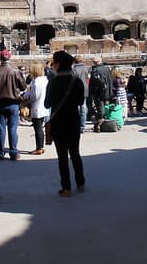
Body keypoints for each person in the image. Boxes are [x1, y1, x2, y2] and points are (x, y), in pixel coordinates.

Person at [44, 51, 85, 197]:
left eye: (54, 63)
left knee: (62, 156)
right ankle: (80, 183)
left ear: (58, 65)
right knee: (75, 152)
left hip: (58, 122)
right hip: (73, 120)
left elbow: (47, 104)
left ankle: (66, 187)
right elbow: (81, 101)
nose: (53, 65)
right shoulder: (76, 81)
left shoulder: (53, 82)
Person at [0, 50, 26, 160]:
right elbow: (23, 86)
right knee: (13, 128)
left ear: (0, 58)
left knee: (1, 129)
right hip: (13, 103)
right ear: (10, 58)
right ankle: (13, 152)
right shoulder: (16, 71)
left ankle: (0, 152)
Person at [24, 66, 49, 154]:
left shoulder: (36, 82)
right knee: (40, 128)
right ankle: (41, 147)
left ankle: (39, 147)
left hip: (37, 107)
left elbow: (34, 97)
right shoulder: (45, 80)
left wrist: (26, 95)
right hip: (43, 106)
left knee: (37, 128)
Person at [88, 56, 114, 132]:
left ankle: (99, 124)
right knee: (103, 107)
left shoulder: (95, 70)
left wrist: (91, 92)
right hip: (107, 92)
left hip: (98, 92)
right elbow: (110, 80)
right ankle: (101, 123)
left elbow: (93, 83)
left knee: (100, 108)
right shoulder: (107, 69)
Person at [71, 55, 90, 134]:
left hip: (76, 90)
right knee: (83, 107)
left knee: (76, 109)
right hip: (85, 89)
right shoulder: (86, 69)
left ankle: (77, 125)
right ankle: (82, 126)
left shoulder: (74, 70)